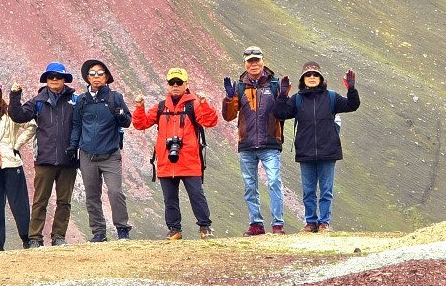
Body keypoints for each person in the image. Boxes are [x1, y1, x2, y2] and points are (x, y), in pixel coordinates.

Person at [273, 62, 361, 233]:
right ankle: (311, 222)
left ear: (321, 78)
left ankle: (324, 223)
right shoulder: (297, 99)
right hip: (305, 151)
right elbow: (280, 113)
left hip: (328, 151)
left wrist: (351, 89)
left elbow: (352, 105)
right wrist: (283, 95)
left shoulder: (332, 97)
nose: (311, 78)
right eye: (308, 75)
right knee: (308, 191)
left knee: (326, 190)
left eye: (315, 75)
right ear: (303, 79)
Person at [132, 68, 218, 240]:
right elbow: (140, 124)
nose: (176, 85)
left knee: (196, 195)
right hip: (166, 161)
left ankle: (205, 227)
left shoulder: (194, 104)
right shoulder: (161, 106)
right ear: (167, 85)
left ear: (186, 84)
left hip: (189, 161)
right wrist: (140, 108)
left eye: (179, 82)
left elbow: (210, 121)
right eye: (172, 82)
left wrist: (205, 104)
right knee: (169, 199)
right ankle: (174, 230)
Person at [10, 62, 79, 247]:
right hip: (44, 159)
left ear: (65, 79)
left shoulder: (75, 100)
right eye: (51, 77)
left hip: (68, 160)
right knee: (40, 200)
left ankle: (58, 237)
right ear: (46, 80)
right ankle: (35, 238)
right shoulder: (38, 101)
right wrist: (15, 95)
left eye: (58, 76)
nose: (54, 80)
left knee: (64, 201)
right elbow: (18, 116)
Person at [222, 46, 287, 235]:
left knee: (274, 181)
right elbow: (228, 116)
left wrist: (283, 96)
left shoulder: (274, 84)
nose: (254, 64)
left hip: (270, 144)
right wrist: (228, 98)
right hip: (247, 144)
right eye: (250, 61)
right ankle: (256, 223)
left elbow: (285, 112)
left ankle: (278, 224)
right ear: (245, 63)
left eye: (256, 60)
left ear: (263, 61)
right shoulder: (239, 87)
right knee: (250, 186)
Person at [69, 58, 133, 242]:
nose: (96, 77)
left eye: (100, 73)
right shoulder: (82, 100)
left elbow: (127, 122)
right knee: (92, 195)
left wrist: (119, 114)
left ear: (107, 77)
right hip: (87, 154)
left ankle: (122, 229)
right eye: (92, 74)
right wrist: (73, 146)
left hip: (110, 154)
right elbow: (76, 125)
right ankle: (98, 232)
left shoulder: (115, 97)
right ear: (87, 77)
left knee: (115, 191)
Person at [0, 77, 36, 251]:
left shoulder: (11, 112)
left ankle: (27, 239)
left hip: (11, 163)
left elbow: (31, 126)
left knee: (19, 203)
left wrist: (16, 145)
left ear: (1, 93)